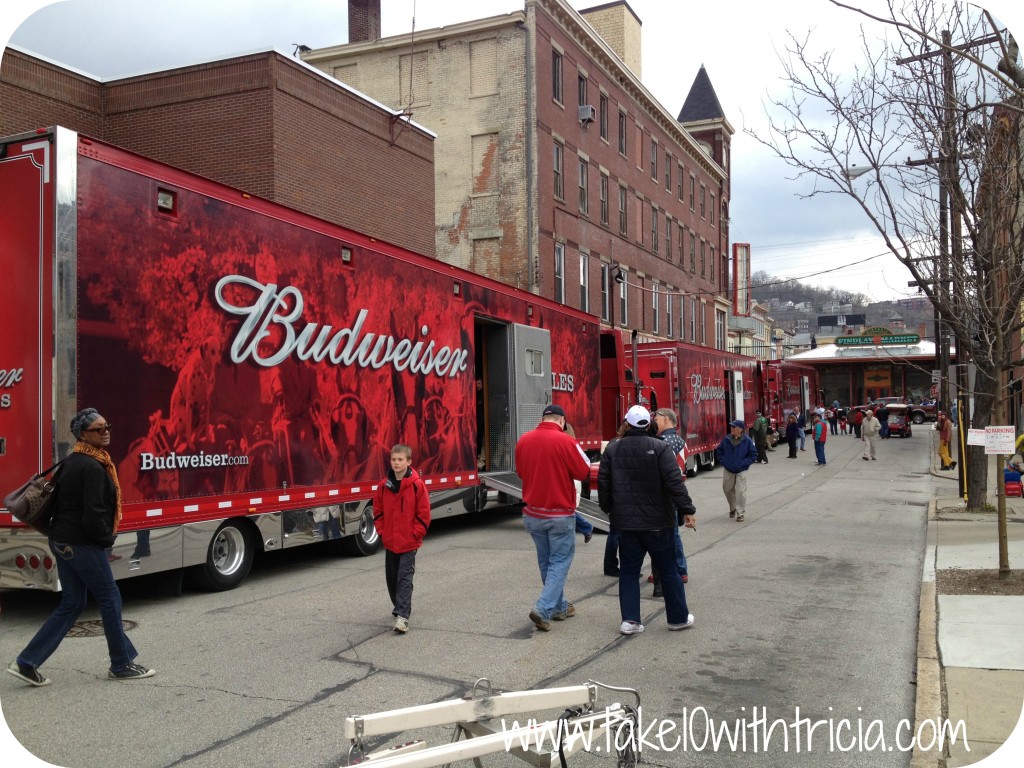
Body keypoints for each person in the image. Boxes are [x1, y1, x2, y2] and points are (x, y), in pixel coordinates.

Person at [7, 409, 155, 687]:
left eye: (107, 426)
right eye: (98, 429)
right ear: (83, 434)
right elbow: (94, 514)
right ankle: (121, 664)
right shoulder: (92, 467)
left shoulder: (74, 461)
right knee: (110, 598)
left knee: (73, 603)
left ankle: (27, 663)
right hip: (81, 543)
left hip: (62, 540)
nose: (106, 431)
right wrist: (105, 541)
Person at [598, 405, 697, 635]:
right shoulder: (660, 447)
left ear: (627, 424)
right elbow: (674, 483)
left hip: (627, 525)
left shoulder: (613, 449)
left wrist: (610, 509)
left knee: (629, 572)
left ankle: (630, 621)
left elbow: (604, 484)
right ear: (649, 424)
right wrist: (687, 509)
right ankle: (678, 619)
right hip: (659, 524)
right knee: (669, 570)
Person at [515, 404, 592, 631]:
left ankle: (559, 607)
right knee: (559, 562)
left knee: (546, 562)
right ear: (562, 421)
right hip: (559, 513)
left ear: (543, 418)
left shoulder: (524, 440)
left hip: (533, 512)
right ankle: (543, 608)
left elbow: (520, 472)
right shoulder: (566, 441)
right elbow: (584, 470)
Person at [372, 444, 431, 633]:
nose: (396, 463)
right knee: (392, 578)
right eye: (393, 459)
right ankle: (399, 607)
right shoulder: (383, 486)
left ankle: (403, 617)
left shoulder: (416, 485)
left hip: (408, 543)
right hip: (390, 542)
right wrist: (382, 533)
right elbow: (378, 512)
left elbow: (423, 514)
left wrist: (415, 534)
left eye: (400, 460)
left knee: (404, 578)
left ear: (409, 462)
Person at [652, 408, 689, 589]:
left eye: (656, 418)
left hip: (663, 495)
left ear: (666, 419)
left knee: (666, 536)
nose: (654, 421)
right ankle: (681, 570)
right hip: (676, 493)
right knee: (674, 534)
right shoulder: (680, 441)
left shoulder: (662, 442)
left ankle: (670, 571)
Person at [715, 420, 758, 523]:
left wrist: (744, 464)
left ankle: (740, 513)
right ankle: (733, 508)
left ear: (740, 429)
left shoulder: (747, 440)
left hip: (741, 470)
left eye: (734, 427)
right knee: (727, 489)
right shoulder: (727, 439)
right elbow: (719, 451)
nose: (732, 429)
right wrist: (724, 462)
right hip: (728, 468)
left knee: (740, 492)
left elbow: (753, 455)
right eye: (731, 427)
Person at [563, 422, 593, 543]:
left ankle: (586, 527)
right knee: (567, 511)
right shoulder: (572, 446)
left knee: (567, 511)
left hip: (571, 483)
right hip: (572, 482)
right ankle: (586, 528)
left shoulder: (570, 448)